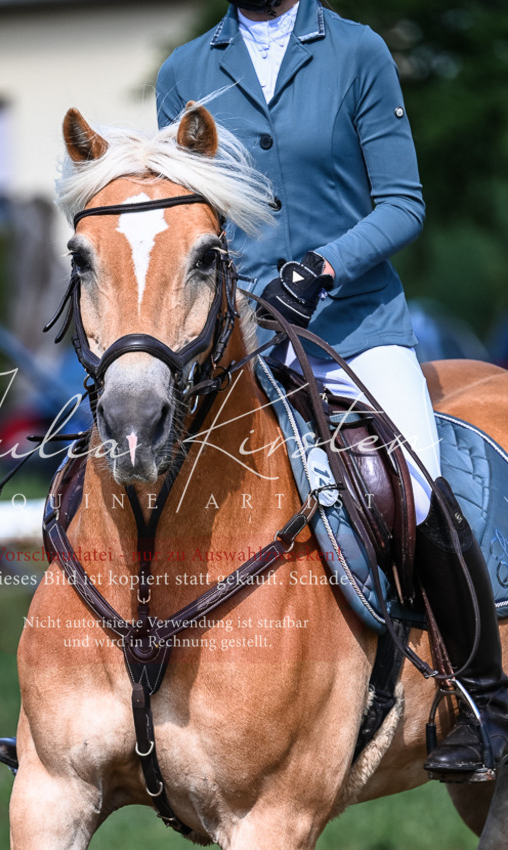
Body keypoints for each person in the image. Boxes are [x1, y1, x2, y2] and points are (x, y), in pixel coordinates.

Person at [156, 0, 508, 781]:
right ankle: (111, 701)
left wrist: (319, 268)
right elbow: (185, 215)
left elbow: (402, 204)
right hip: (238, 337)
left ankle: (485, 700)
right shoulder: (184, 71)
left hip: (353, 328)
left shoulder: (355, 50)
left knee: (414, 486)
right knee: (143, 467)